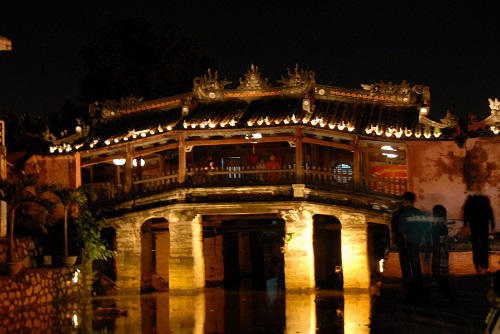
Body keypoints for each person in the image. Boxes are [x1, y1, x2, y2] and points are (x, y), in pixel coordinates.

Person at [392, 191, 431, 304]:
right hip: (415, 244)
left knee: (406, 269)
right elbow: (426, 228)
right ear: (413, 201)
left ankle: (409, 293)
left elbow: (396, 229)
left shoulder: (399, 213)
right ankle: (419, 292)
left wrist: (401, 242)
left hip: (404, 245)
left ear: (404, 200)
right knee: (416, 267)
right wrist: (427, 242)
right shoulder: (419, 213)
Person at [463, 194, 495, 272]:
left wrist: (465, 224)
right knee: (484, 244)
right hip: (484, 225)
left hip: (474, 226)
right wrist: (492, 224)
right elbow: (490, 214)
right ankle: (485, 264)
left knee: (475, 245)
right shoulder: (485, 202)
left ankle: (477, 264)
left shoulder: (470, 203)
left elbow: (466, 213)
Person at [431, 204, 450, 300]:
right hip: (440, 252)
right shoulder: (441, 224)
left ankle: (444, 293)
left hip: (440, 252)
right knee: (441, 275)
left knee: (441, 276)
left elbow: (441, 241)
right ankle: (443, 293)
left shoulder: (440, 226)